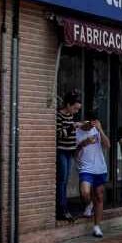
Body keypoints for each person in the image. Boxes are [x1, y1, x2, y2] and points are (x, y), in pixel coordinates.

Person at [75, 117, 110, 238]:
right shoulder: (77, 131)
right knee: (85, 192)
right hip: (86, 168)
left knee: (99, 197)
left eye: (95, 123)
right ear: (86, 121)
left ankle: (97, 227)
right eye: (91, 123)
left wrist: (100, 130)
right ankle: (89, 203)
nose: (92, 126)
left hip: (100, 168)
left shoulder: (97, 130)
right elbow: (73, 152)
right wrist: (83, 143)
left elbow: (107, 145)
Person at [55, 90, 81, 222]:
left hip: (70, 151)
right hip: (62, 151)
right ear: (69, 105)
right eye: (75, 108)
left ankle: (64, 207)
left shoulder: (70, 116)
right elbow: (58, 134)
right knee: (62, 180)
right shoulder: (59, 116)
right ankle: (62, 209)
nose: (76, 111)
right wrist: (72, 127)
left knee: (65, 180)